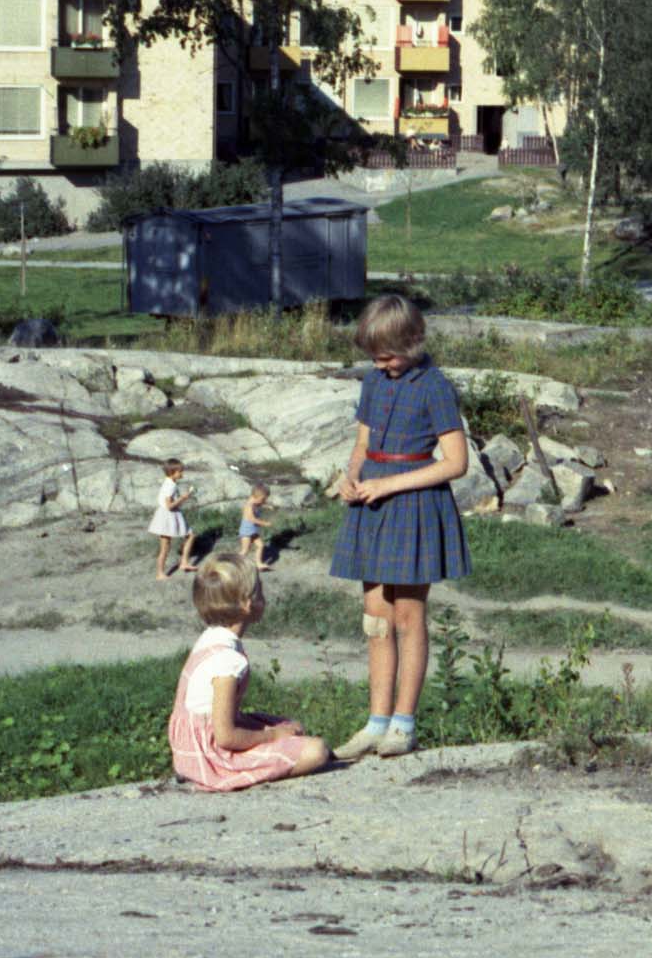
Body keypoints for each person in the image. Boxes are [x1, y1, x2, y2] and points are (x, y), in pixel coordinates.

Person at [329, 294, 470, 762]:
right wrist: (351, 477)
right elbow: (363, 442)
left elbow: (455, 463)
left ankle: (403, 724)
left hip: (412, 505)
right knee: (376, 620)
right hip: (371, 504)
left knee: (409, 616)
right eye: (374, 356)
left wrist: (392, 484)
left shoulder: (434, 386)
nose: (381, 363)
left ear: (413, 341)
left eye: (388, 355)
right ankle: (375, 722)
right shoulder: (373, 381)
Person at [168, 557, 330, 790]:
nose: (264, 598)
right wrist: (273, 736)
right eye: (260, 592)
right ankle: (229, 775)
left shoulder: (210, 638)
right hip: (211, 753)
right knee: (317, 751)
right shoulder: (227, 661)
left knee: (289, 725)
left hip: (196, 739)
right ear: (247, 604)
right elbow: (225, 736)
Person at [148, 458, 195, 584]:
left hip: (169, 514)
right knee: (166, 546)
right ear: (173, 472)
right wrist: (183, 498)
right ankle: (160, 573)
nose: (182, 473)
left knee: (189, 535)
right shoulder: (171, 485)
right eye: (180, 471)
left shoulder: (168, 482)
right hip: (168, 515)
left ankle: (183, 562)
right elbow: (169, 505)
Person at [237, 482, 274, 576]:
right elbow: (252, 519)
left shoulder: (255, 503)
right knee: (245, 550)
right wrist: (264, 523)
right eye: (263, 499)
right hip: (246, 531)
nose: (264, 501)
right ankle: (234, 564)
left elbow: (259, 505)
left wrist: (267, 506)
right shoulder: (249, 505)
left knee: (260, 545)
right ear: (257, 496)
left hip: (252, 531)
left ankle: (258, 564)